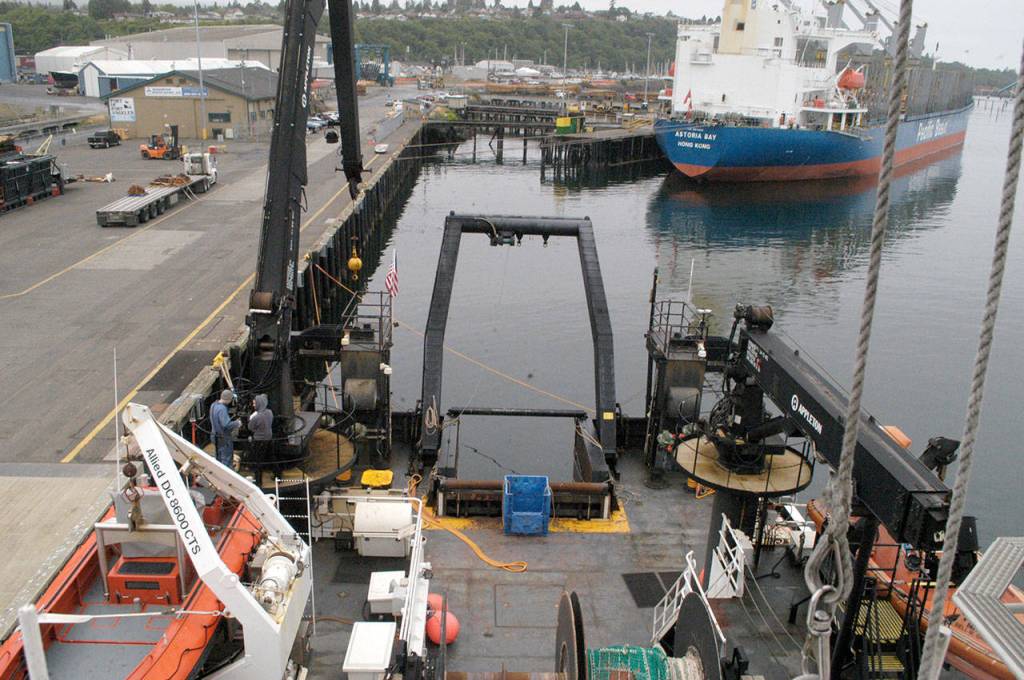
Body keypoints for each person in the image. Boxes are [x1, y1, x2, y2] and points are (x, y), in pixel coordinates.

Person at [210, 389, 241, 468]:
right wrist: (237, 423)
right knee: (226, 460)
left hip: (214, 436)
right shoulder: (222, 409)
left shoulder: (213, 405)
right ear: (229, 399)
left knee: (219, 459)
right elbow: (226, 424)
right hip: (223, 438)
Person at [248, 394, 274, 464]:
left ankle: (258, 474)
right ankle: (276, 473)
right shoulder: (270, 412)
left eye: (254, 403)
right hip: (269, 438)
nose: (253, 405)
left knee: (258, 460)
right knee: (271, 457)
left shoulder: (256, 417)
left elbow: (250, 427)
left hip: (259, 440)